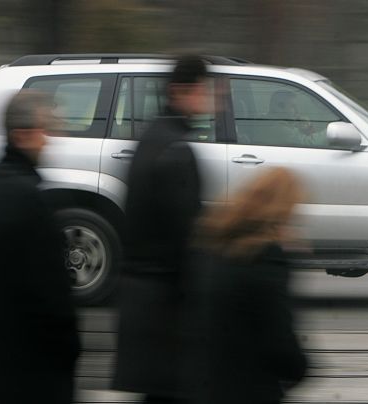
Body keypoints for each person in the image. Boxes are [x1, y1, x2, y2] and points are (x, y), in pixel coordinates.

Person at [0, 90, 80, 404]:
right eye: (43, 130)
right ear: (22, 135)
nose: (48, 140)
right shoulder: (30, 200)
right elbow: (52, 297)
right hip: (30, 377)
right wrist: (69, 348)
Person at [113, 55, 210, 404]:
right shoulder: (177, 151)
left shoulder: (151, 139)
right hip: (168, 314)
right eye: (203, 91)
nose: (209, 101)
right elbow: (187, 239)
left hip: (142, 305)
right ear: (181, 92)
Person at [197, 167, 308, 404]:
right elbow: (281, 343)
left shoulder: (215, 245)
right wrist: (300, 369)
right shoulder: (267, 257)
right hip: (250, 389)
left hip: (206, 385)